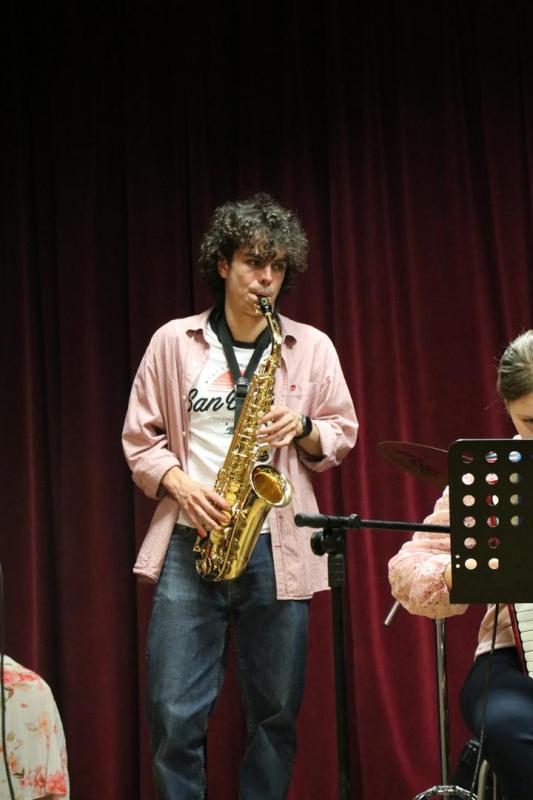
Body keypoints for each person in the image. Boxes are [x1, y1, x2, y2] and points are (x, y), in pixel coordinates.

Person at [122, 192, 358, 800]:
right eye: (254, 262)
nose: (266, 278)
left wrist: (302, 427)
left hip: (277, 546)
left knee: (276, 714)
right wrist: (181, 484)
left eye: (277, 266)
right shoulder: (174, 342)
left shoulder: (310, 346)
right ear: (223, 264)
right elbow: (139, 440)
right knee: (172, 714)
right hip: (191, 535)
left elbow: (342, 433)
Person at [388, 330, 533, 800]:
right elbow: (409, 566)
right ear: (507, 409)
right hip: (513, 659)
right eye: (530, 421)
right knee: (509, 725)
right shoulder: (491, 477)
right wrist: (462, 570)